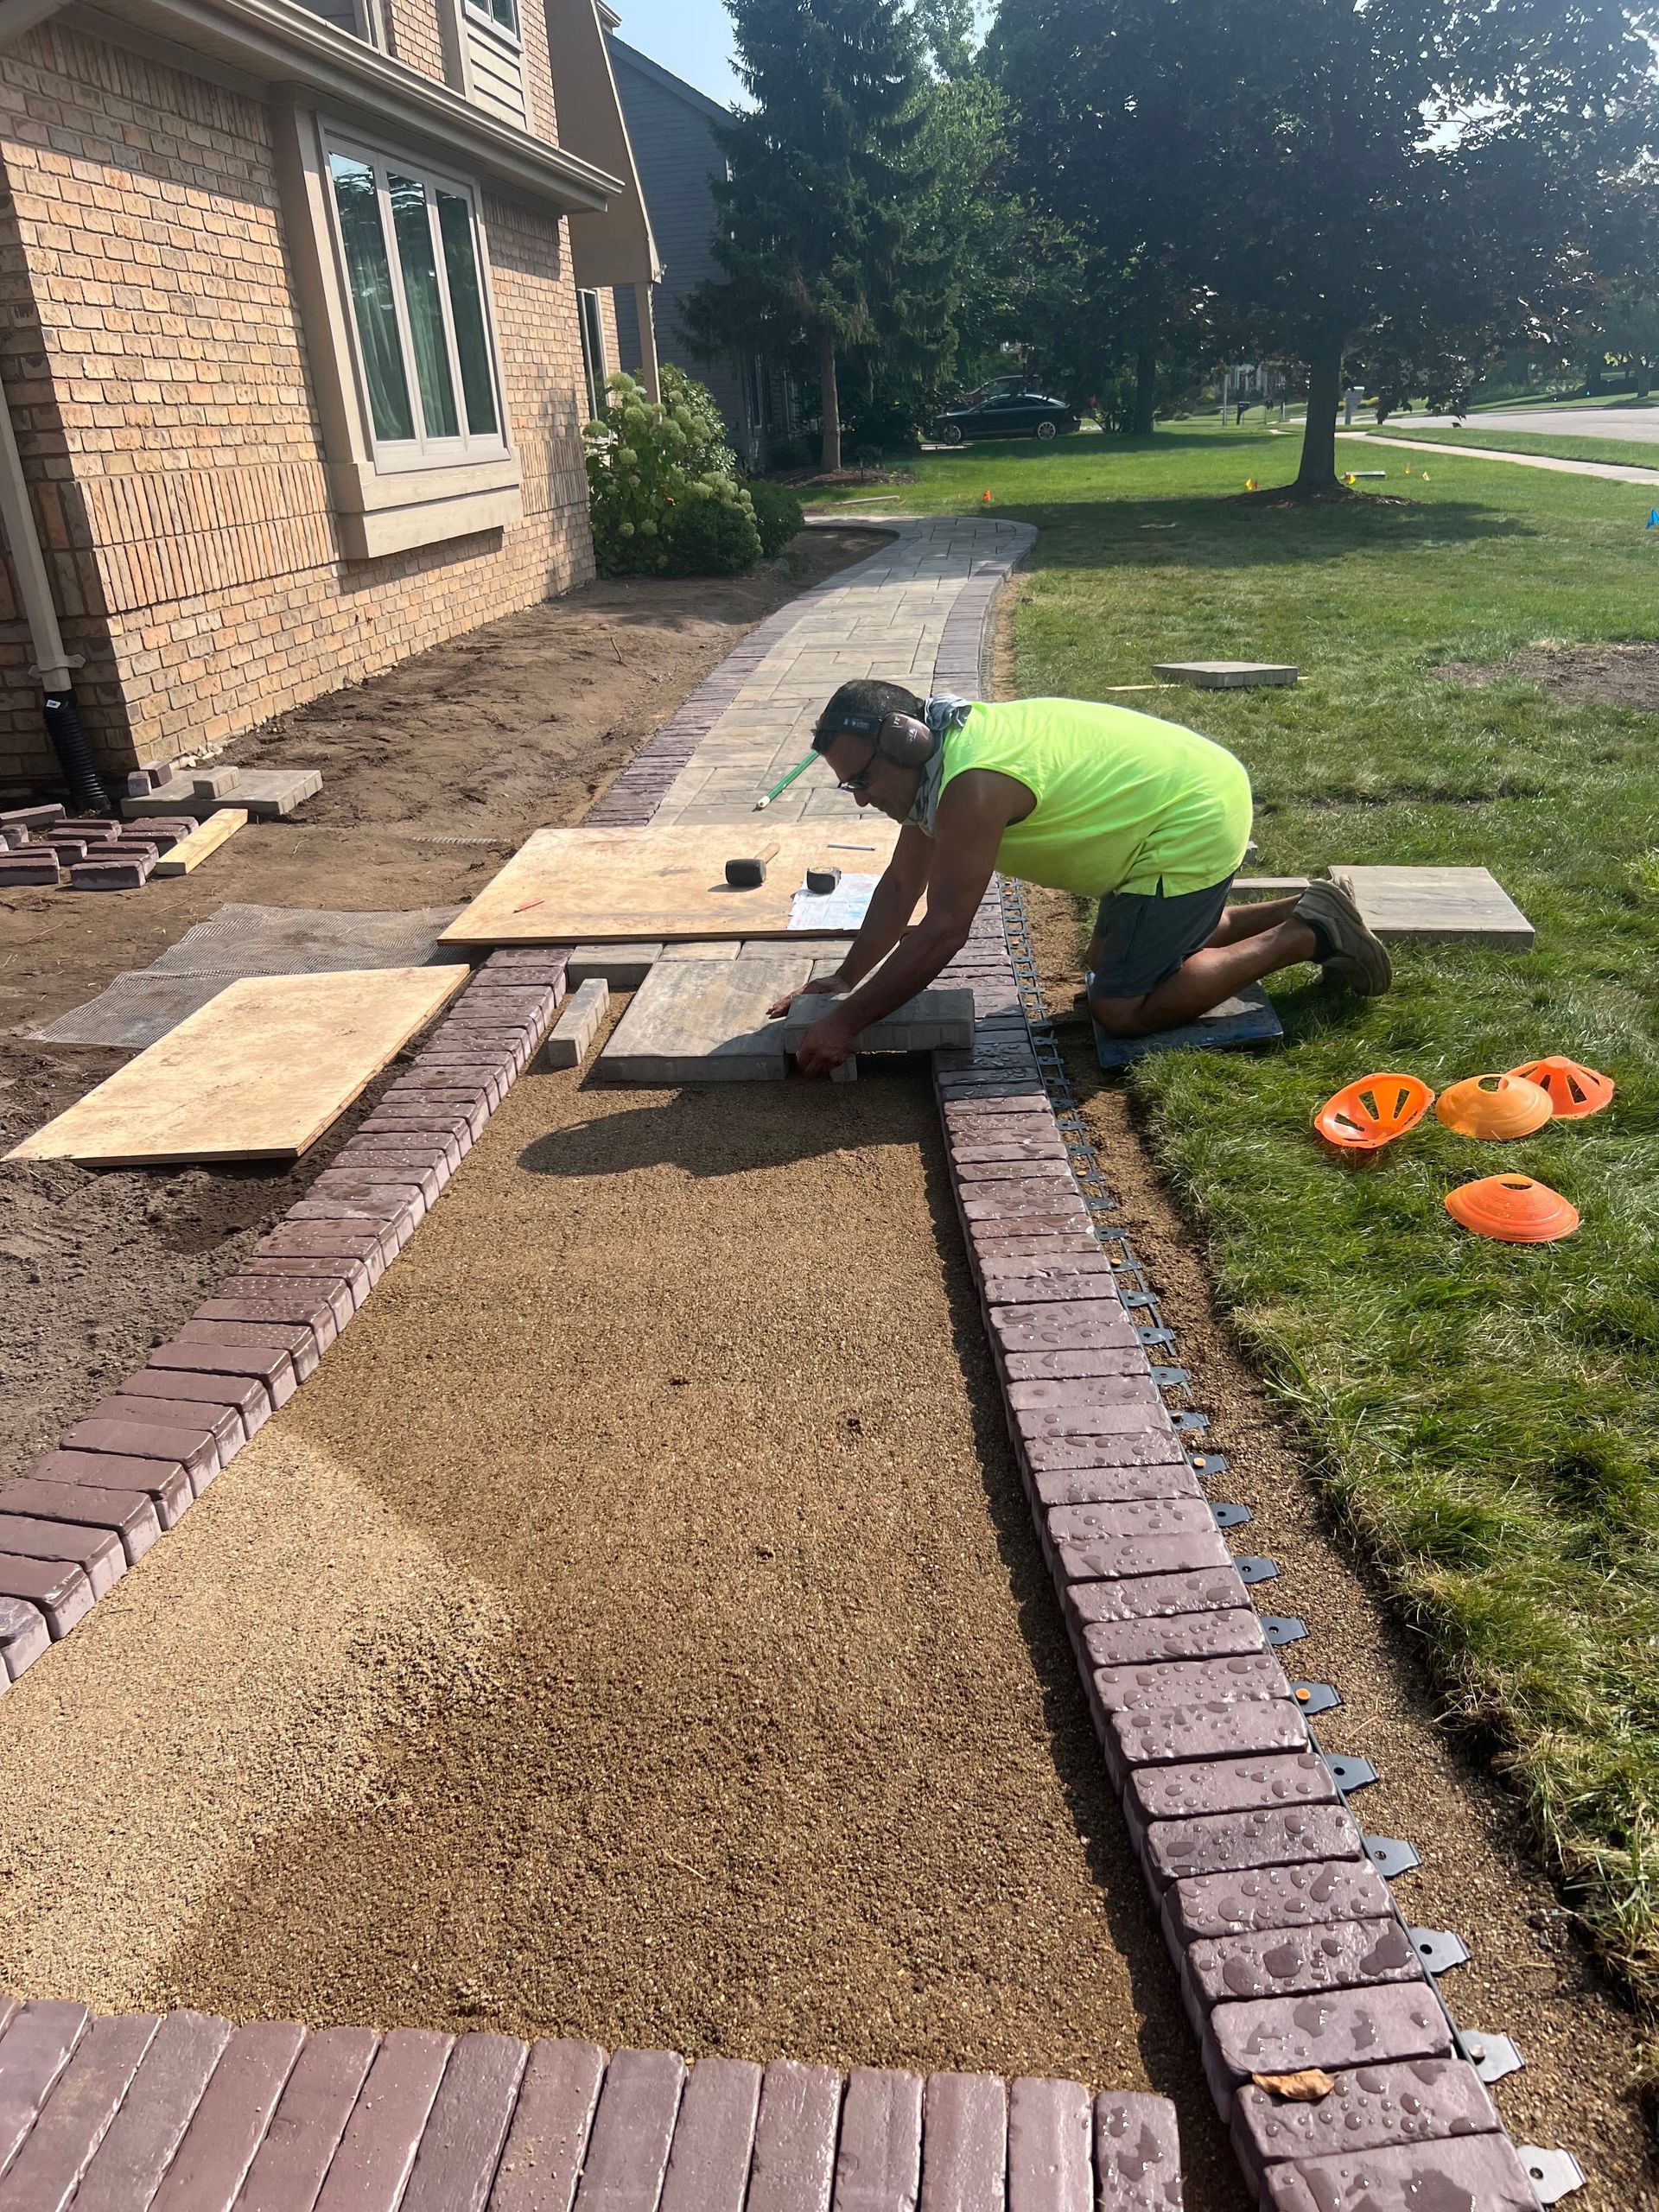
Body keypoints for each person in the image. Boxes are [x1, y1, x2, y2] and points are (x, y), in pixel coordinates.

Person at [772, 680, 1391, 1079]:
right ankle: (1303, 906)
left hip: (1188, 818)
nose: (861, 798)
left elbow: (943, 931)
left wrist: (845, 1024)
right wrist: (846, 978)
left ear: (906, 743)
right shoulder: (937, 764)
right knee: (1108, 962)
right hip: (1176, 795)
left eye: (862, 780)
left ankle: (1306, 935)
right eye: (849, 787)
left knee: (1118, 1005)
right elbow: (900, 886)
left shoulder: (972, 785)